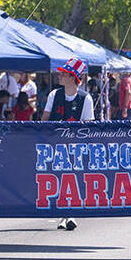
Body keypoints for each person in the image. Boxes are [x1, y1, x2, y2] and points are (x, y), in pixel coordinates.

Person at [42, 58, 95, 230]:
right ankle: (64, 213)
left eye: (63, 73)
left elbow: (88, 126)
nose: (60, 75)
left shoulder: (85, 98)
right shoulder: (54, 95)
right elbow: (45, 119)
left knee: (71, 180)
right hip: (55, 146)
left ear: (72, 76)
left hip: (75, 147)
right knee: (58, 180)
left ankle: (69, 214)